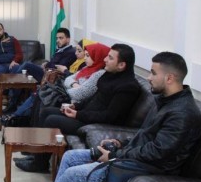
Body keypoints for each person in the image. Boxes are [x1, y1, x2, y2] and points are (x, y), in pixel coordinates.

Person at [0, 51, 201, 182]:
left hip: (147, 168)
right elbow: (146, 136)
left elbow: (158, 153)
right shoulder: (166, 101)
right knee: (70, 156)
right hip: (133, 157)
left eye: (153, 73)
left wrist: (114, 155)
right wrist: (121, 143)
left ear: (169, 78)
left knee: (74, 173)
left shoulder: (182, 113)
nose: (149, 77)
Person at [16, 43, 141, 173]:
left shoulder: (128, 87)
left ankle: (40, 164)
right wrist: (75, 106)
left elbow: (110, 116)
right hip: (86, 114)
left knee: (51, 120)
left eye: (110, 58)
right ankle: (37, 153)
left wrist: (78, 114)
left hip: (97, 122)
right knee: (46, 111)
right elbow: (93, 99)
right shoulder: (109, 75)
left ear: (121, 65)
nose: (105, 59)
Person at [4, 42, 109, 126]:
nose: (84, 58)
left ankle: (16, 117)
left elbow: (78, 94)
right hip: (65, 93)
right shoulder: (86, 68)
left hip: (72, 102)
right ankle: (18, 118)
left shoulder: (98, 74)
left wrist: (70, 84)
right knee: (40, 93)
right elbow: (69, 79)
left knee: (42, 95)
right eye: (85, 55)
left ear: (98, 56)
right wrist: (74, 84)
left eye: (88, 56)